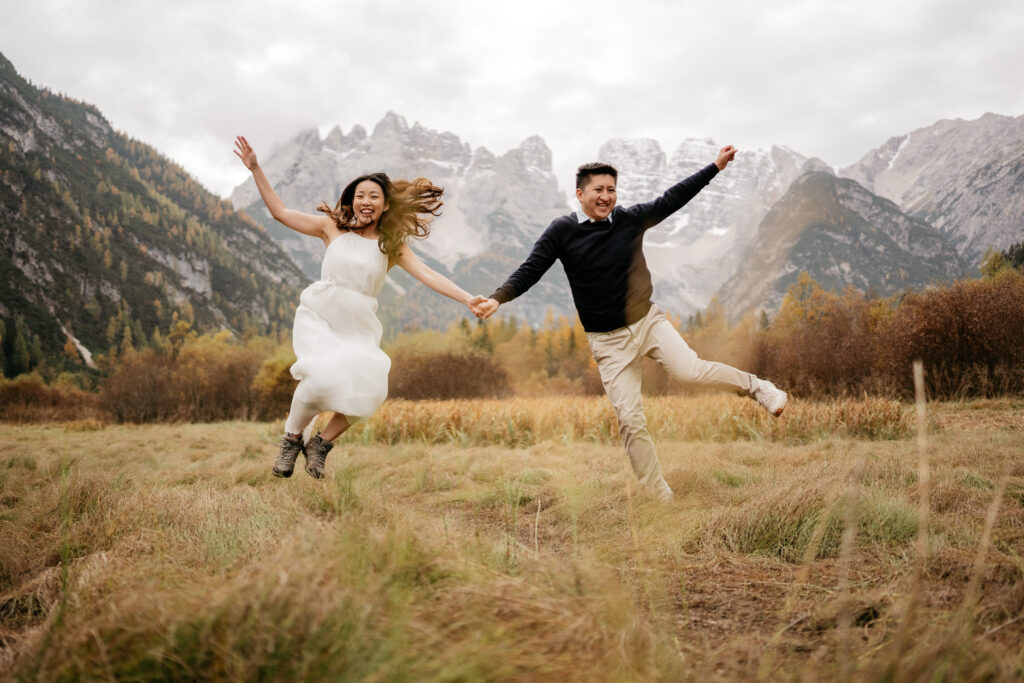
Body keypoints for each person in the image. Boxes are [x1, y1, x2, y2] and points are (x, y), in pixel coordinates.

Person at [473, 146, 788, 500]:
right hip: (607, 342)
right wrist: (497, 298)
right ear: (580, 194)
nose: (606, 197)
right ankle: (659, 494)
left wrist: (715, 167)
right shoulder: (561, 231)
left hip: (647, 322)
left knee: (691, 372)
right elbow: (531, 269)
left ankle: (758, 388)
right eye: (598, 190)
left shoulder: (629, 219)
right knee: (630, 418)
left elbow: (673, 199)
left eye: (612, 189)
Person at [234, 135, 486, 480]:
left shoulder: (391, 246)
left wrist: (467, 298)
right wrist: (256, 169)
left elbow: (428, 274)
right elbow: (279, 213)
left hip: (358, 324)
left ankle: (320, 445)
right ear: (351, 202)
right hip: (321, 315)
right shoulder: (330, 228)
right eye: (360, 195)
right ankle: (291, 440)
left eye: (374, 196)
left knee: (371, 389)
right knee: (320, 376)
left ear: (385, 206)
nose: (366, 200)